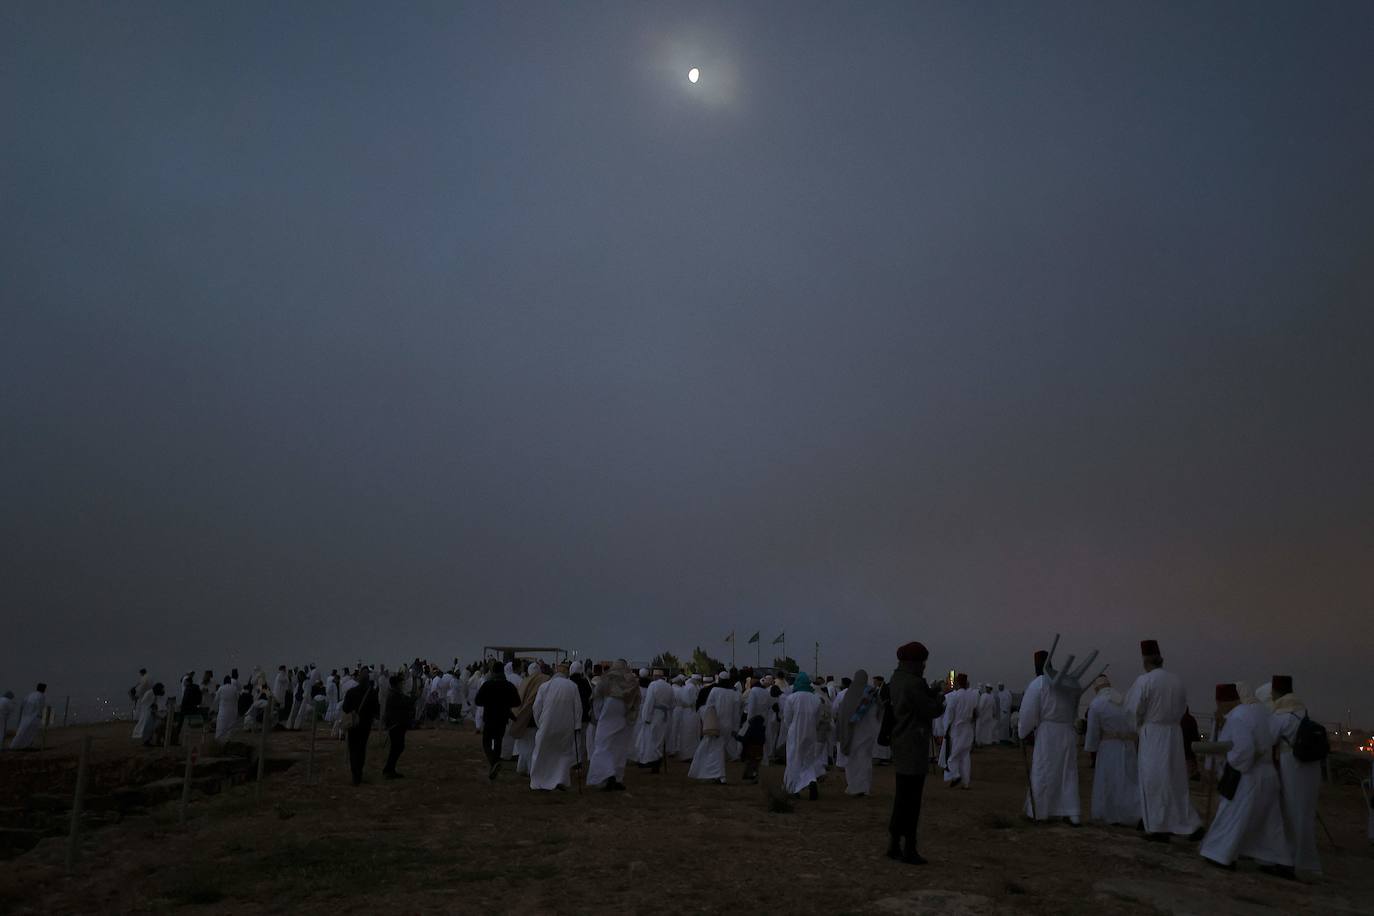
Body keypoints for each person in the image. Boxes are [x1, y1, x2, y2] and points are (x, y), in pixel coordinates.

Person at [1199, 684, 1292, 877]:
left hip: (1248, 777)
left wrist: (1230, 761)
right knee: (1269, 822)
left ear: (1222, 702)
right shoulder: (1259, 712)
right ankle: (1277, 859)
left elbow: (1243, 751)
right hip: (1268, 775)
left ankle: (1221, 855)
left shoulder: (1237, 717)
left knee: (1232, 816)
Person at [1124, 639, 1203, 842]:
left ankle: (1159, 826)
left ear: (1145, 660)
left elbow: (1133, 710)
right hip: (1173, 735)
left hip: (1153, 735)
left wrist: (1138, 727)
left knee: (1154, 780)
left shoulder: (1145, 681)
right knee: (1175, 780)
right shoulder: (1176, 680)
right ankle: (1187, 822)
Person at [887, 642, 945, 864]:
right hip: (914, 744)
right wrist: (939, 701)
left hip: (900, 743)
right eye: (922, 662)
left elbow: (913, 700)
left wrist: (930, 691)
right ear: (914, 662)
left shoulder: (898, 679)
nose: (923, 667)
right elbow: (930, 710)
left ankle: (893, 844)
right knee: (912, 800)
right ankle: (909, 848)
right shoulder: (913, 683)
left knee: (901, 797)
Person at [1018, 650, 1082, 824]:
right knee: (1067, 772)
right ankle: (1072, 813)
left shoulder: (1039, 683)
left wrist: (1022, 732)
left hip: (1048, 733)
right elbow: (1075, 707)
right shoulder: (1067, 684)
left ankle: (1040, 812)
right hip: (1067, 731)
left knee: (1043, 771)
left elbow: (1028, 712)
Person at [1269, 675, 1321, 875]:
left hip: (1293, 765)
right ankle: (1302, 861)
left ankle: (1293, 862)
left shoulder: (1280, 715)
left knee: (1292, 813)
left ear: (1275, 692)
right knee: (1305, 814)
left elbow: (1269, 738)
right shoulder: (1302, 710)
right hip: (1311, 766)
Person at [1084, 675, 1140, 826]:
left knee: (1109, 781)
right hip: (1128, 746)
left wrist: (1091, 748)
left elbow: (1093, 732)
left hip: (1109, 747)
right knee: (1129, 780)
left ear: (1096, 688)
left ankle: (1109, 814)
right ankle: (1133, 813)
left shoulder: (1096, 704)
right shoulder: (1124, 699)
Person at [587, 659, 640, 791]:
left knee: (602, 744)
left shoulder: (607, 679)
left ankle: (606, 774)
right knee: (620, 747)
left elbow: (597, 696)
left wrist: (598, 716)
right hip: (624, 714)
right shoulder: (631, 681)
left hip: (608, 711)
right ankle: (617, 777)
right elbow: (637, 700)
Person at [529, 662, 583, 791]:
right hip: (566, 726)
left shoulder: (545, 686)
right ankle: (560, 780)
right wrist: (577, 725)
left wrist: (540, 723)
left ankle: (539, 781)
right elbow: (578, 708)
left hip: (547, 724)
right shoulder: (573, 686)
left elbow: (536, 708)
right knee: (563, 753)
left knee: (542, 751)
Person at [689, 671, 742, 785]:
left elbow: (709, 708)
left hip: (716, 725)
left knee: (715, 750)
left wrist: (706, 722)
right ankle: (716, 774)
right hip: (728, 726)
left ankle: (719, 775)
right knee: (718, 750)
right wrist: (735, 729)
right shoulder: (734, 694)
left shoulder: (715, 691)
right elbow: (736, 713)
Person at [780, 672, 826, 799]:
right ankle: (811, 781)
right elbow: (817, 719)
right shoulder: (815, 699)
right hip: (811, 732)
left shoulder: (792, 698)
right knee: (808, 760)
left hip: (795, 732)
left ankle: (793, 789)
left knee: (794, 760)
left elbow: (787, 719)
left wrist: (792, 728)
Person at [474, 660, 522, 780]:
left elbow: (477, 701)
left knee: (486, 742)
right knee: (498, 742)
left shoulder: (487, 685)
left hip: (489, 718)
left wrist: (489, 702)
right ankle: (495, 763)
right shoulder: (509, 686)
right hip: (502, 718)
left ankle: (494, 762)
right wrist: (505, 704)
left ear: (493, 671)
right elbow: (517, 702)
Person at [836, 670, 880, 796]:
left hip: (853, 733)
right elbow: (879, 712)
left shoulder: (850, 693)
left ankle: (854, 787)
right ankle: (864, 787)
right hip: (869, 733)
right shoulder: (872, 693)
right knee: (865, 760)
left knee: (852, 760)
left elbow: (844, 714)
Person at [340, 668, 380, 786]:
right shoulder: (372, 693)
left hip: (353, 725)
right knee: (361, 749)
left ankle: (355, 776)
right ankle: (359, 774)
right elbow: (376, 710)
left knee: (353, 750)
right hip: (365, 725)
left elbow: (345, 708)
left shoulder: (351, 692)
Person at [510, 661, 550, 776]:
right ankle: (529, 769)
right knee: (531, 746)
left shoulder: (524, 681)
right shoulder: (545, 680)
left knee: (524, 745)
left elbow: (519, 700)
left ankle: (522, 767)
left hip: (523, 717)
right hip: (535, 718)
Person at [635, 669, 674, 774]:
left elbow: (649, 701)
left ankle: (652, 761)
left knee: (650, 738)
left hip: (654, 715)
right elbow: (672, 703)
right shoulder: (669, 686)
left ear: (654, 676)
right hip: (664, 716)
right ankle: (657, 761)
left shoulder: (653, 685)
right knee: (660, 740)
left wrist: (646, 717)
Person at [943, 674, 977, 789]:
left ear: (957, 683)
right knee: (965, 756)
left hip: (958, 729)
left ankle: (956, 775)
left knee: (953, 757)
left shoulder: (955, 696)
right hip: (968, 728)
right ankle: (966, 783)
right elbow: (975, 712)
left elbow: (949, 713)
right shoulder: (972, 696)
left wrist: (946, 727)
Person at [739, 673, 770, 783]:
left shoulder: (753, 692)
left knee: (750, 751)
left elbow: (751, 709)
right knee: (757, 751)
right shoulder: (766, 693)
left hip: (753, 724)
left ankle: (750, 773)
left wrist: (748, 723)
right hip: (762, 724)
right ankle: (754, 772)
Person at [381, 674, 410, 779]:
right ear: (397, 684)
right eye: (400, 683)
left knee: (397, 748)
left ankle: (390, 769)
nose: (402, 685)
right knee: (397, 747)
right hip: (395, 725)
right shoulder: (394, 695)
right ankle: (389, 769)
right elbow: (404, 704)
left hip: (396, 725)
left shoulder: (395, 694)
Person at [10, 684, 47, 750]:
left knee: (21, 731)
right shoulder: (41, 696)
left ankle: (15, 745)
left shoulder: (31, 694)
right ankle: (23, 745)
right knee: (30, 732)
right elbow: (41, 707)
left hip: (25, 715)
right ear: (43, 689)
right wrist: (41, 716)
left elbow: (23, 703)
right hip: (34, 717)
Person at [214, 675, 239, 741]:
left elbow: (216, 699)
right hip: (233, 711)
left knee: (221, 727)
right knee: (230, 728)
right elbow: (238, 698)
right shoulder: (234, 688)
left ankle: (220, 742)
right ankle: (229, 741)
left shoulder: (221, 688)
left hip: (223, 711)